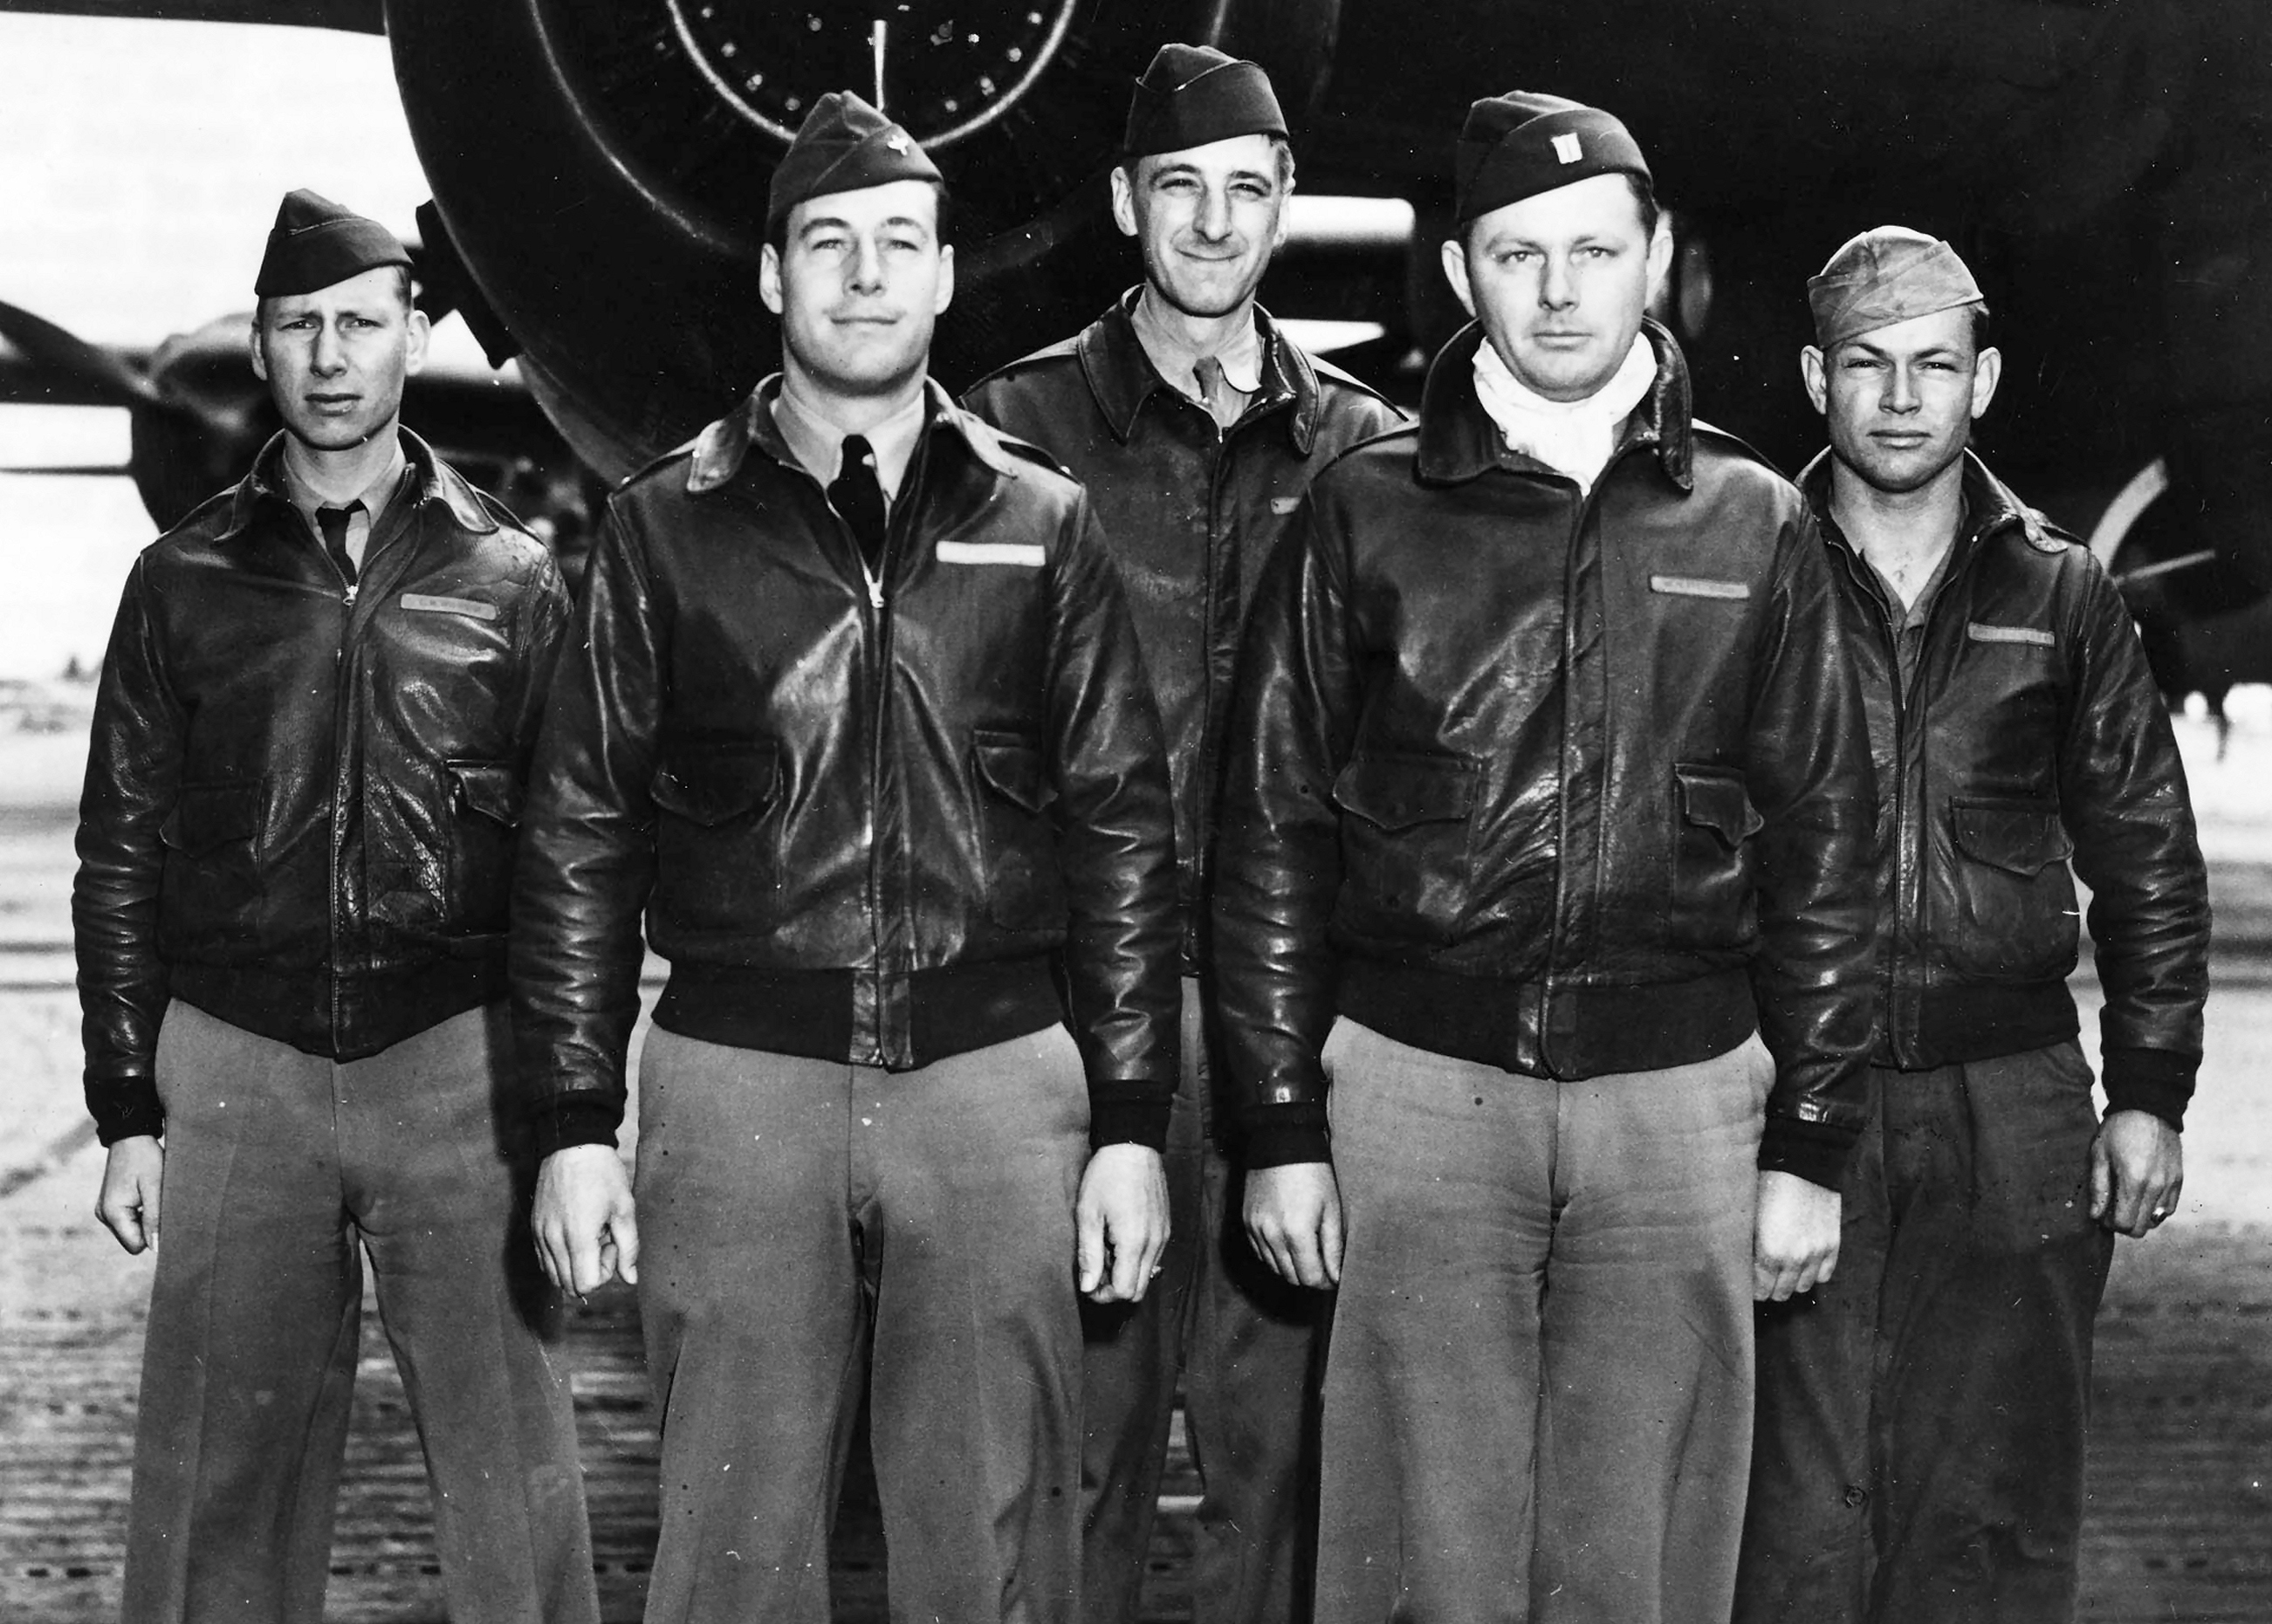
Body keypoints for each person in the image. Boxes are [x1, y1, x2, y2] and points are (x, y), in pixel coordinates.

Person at [510, 93, 1182, 1624]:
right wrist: (572, 1116)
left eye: (898, 243)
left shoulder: (1046, 520)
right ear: (772, 277)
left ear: (946, 274)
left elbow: (1121, 830)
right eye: (829, 243)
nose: (867, 275)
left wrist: (1132, 1119)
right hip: (741, 1084)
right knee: (732, 1553)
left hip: (997, 1081)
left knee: (993, 1546)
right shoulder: (664, 528)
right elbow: (578, 835)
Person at [1211, 92, 1881, 1624]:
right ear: (1460, 275)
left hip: (1680, 1103)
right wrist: (1281, 1122)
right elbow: (1269, 833)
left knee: (1642, 1560)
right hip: (1416, 1088)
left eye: (1595, 250)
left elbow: (1828, 847)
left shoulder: (1758, 521)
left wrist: (1810, 1139)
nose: (1561, 290)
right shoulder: (1365, 509)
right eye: (1519, 255)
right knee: (1412, 1555)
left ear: (1659, 257)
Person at [72, 190, 594, 1624]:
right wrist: (125, 1104)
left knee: (516, 1488)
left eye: (361, 322)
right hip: (241, 1067)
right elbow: (119, 852)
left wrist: (571, 1113)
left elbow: (571, 866)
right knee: (216, 1492)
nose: (329, 355)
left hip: (460, 1065)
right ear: (258, 346)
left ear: (414, 338)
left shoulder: (514, 578)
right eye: (298, 325)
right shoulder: (178, 582)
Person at [962, 43, 1403, 1624]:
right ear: (1121, 201)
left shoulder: (1370, 453)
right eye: (1179, 188)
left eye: (1245, 190)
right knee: (1065, 1458)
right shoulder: (1008, 433)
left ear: (1285, 203)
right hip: (1082, 1016)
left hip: (1298, 1021)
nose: (1213, 223)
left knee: (1284, 1471)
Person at [1733, 227, 2211, 1624]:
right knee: (1787, 1523)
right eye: (1867, 363)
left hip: (2013, 1106)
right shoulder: (1745, 567)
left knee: (1994, 1519)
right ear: (1815, 376)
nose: (1901, 398)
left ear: (1982, 382)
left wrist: (2151, 1090)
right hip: (1792, 1091)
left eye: (1934, 366)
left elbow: (2146, 854)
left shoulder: (2060, 590)